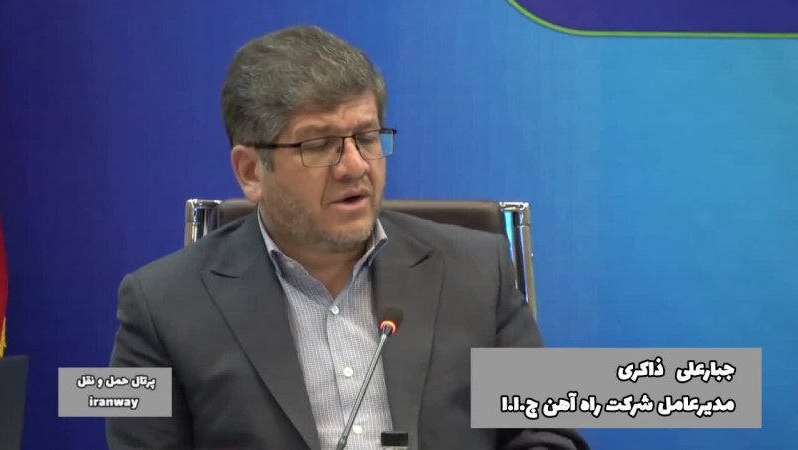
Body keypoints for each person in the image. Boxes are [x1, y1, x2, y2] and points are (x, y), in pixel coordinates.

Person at [107, 25, 589, 450]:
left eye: (366, 138)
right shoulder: (160, 308)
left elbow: (547, 433)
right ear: (251, 171)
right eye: (319, 145)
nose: (355, 166)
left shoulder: (480, 270)